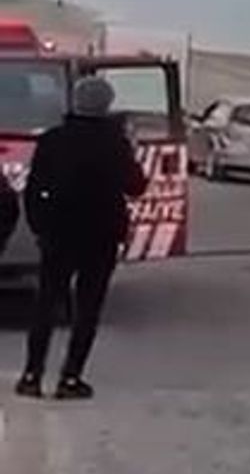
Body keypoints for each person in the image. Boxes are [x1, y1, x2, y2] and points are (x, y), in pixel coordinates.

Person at [15, 76, 147, 400]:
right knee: (87, 308)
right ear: (106, 105)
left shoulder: (52, 140)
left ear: (74, 102)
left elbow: (33, 188)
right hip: (101, 236)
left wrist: (39, 226)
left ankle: (31, 375)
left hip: (57, 233)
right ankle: (70, 378)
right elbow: (135, 186)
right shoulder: (114, 143)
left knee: (46, 305)